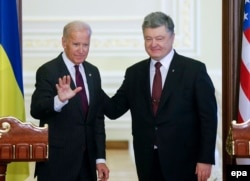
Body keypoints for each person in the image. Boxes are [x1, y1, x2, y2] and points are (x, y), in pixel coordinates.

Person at [103, 12, 217, 181]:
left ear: (172, 38)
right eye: (148, 38)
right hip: (147, 160)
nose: (153, 44)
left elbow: (208, 119)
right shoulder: (135, 73)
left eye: (160, 38)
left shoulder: (194, 71)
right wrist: (88, 86)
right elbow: (114, 110)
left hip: (185, 161)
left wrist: (205, 159)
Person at [30, 21, 109, 181]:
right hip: (57, 164)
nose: (81, 50)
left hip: (87, 164)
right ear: (64, 42)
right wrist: (58, 100)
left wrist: (100, 158)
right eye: (76, 44)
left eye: (85, 45)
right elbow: (36, 109)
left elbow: (97, 119)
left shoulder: (93, 72)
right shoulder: (48, 71)